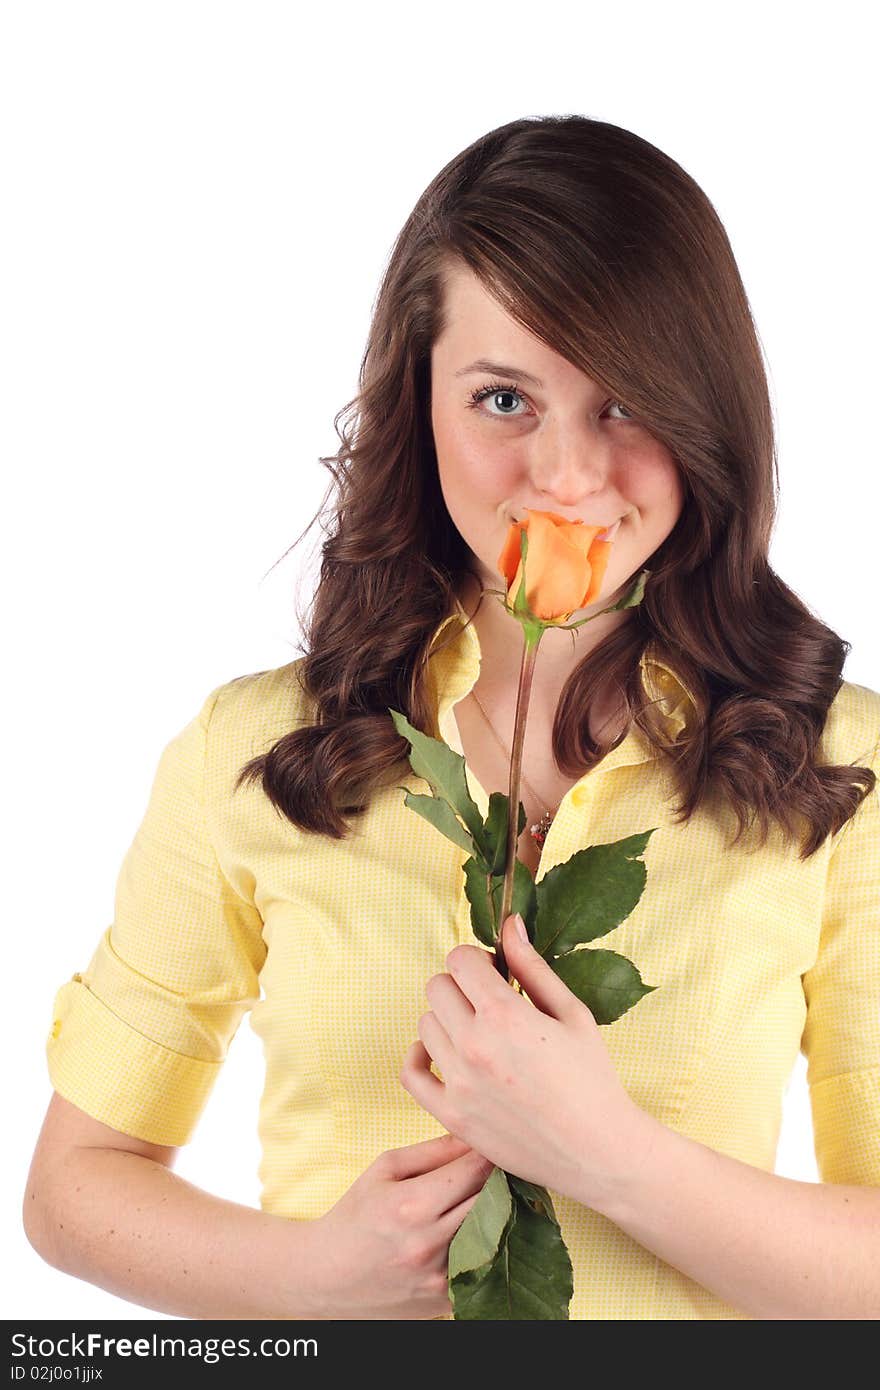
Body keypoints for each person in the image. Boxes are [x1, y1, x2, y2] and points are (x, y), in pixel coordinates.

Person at [23, 114, 880, 1321]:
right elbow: (72, 1189)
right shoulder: (251, 754)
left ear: (707, 419)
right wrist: (312, 1277)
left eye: (626, 404)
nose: (568, 477)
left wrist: (613, 1160)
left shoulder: (845, 771)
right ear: (418, 407)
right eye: (502, 398)